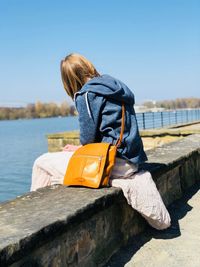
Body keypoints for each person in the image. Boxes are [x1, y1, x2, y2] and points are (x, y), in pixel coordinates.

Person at [31, 53, 171, 230]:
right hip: (132, 162)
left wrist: (79, 147)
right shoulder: (115, 87)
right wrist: (80, 148)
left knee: (42, 163)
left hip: (112, 163)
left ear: (69, 79)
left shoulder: (87, 94)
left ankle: (38, 224)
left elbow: (88, 139)